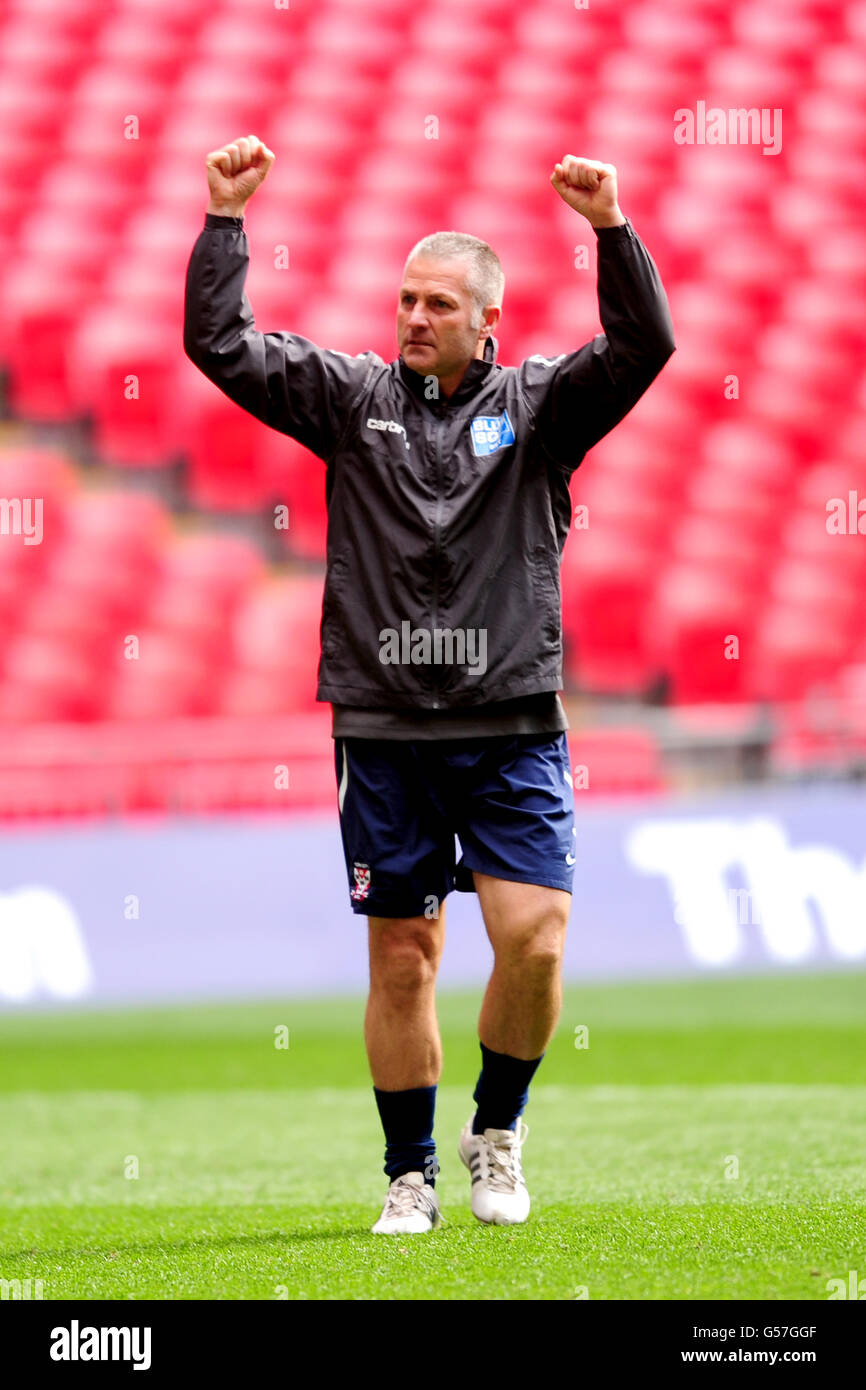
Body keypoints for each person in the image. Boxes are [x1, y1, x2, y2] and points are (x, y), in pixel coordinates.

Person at [184, 134, 675, 1235]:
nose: (412, 317)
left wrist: (609, 229)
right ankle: (408, 1172)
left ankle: (494, 1130)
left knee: (536, 935)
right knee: (404, 955)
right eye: (404, 298)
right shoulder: (350, 400)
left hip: (510, 723)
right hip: (386, 726)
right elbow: (217, 343)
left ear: (485, 321)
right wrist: (225, 220)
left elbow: (645, 343)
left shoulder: (542, 406)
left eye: (438, 303)